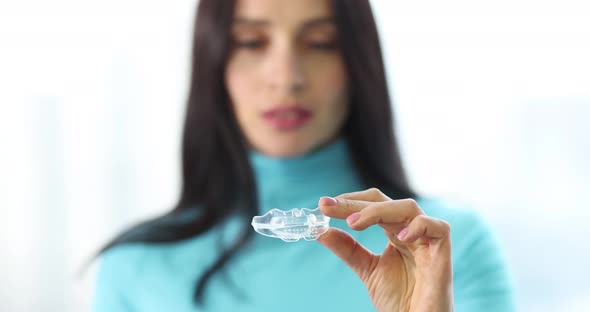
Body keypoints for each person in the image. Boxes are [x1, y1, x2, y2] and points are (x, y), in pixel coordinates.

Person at [93, 0, 516, 311]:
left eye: (320, 42)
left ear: (358, 61)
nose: (286, 77)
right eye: (251, 41)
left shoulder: (439, 248)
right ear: (213, 59)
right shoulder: (133, 267)